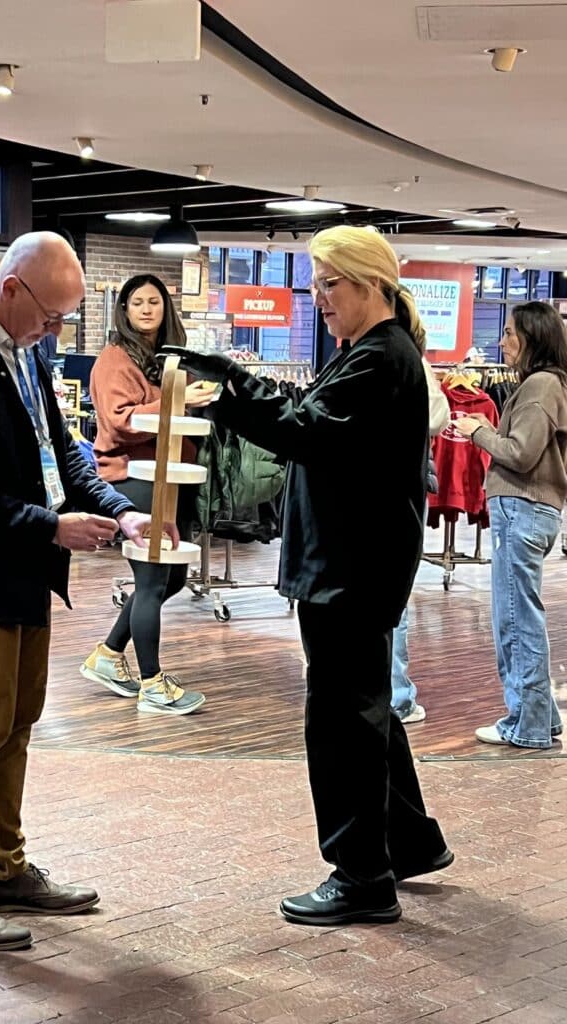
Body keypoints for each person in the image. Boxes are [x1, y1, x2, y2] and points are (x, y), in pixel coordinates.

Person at [162, 226, 451, 926]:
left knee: (342, 721)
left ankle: (362, 877)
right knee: (364, 708)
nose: (318, 297)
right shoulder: (373, 353)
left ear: (370, 283)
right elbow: (310, 416)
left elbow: (304, 429)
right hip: (355, 563)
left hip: (351, 567)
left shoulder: (379, 358)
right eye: (316, 282)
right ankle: (407, 843)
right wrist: (233, 382)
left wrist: (228, 389)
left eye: (329, 283)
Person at [0, 232, 166, 952]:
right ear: (11, 288)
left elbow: (60, 449)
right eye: (49, 317)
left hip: (20, 565)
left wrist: (119, 511)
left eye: (62, 321)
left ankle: (6, 870)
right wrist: (51, 527)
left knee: (15, 721)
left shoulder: (23, 345)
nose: (54, 332)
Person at [82, 274, 212, 715]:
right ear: (124, 309)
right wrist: (179, 398)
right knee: (154, 579)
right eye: (137, 302)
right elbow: (120, 421)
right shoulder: (114, 359)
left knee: (172, 577)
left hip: (173, 475)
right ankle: (153, 684)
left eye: (153, 301)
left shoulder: (172, 358)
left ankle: (107, 655)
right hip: (136, 476)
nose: (146, 309)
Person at [455, 301, 567, 748]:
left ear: (532, 337)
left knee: (516, 620)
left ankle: (527, 725)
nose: (501, 342)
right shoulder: (548, 384)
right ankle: (542, 717)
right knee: (521, 615)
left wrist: (478, 433)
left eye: (508, 332)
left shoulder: (540, 385)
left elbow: (520, 454)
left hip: (522, 508)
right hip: (531, 509)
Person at [390, 360, 450, 723]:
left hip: (386, 488)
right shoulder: (410, 360)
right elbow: (437, 416)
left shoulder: (394, 357)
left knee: (385, 594)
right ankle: (396, 697)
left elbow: (436, 415)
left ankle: (393, 695)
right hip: (399, 487)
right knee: (392, 594)